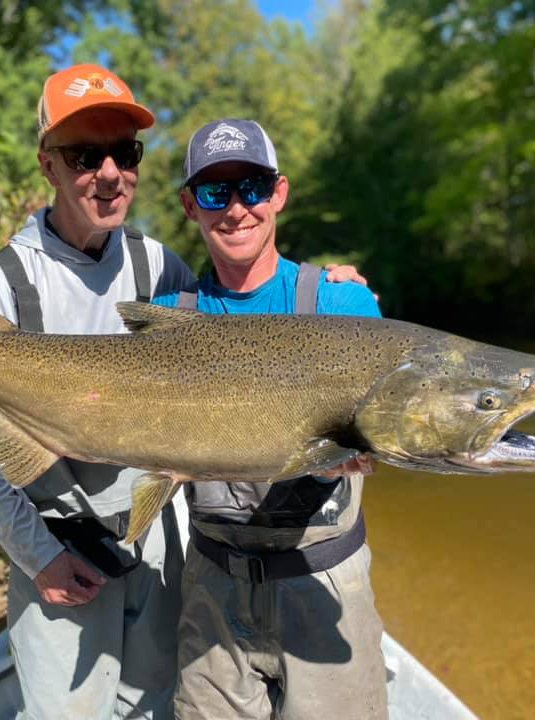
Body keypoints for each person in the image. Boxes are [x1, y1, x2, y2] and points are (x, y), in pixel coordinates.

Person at [0, 69, 370, 719]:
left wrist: (347, 302)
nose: (110, 172)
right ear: (49, 166)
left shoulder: (159, 269)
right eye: (87, 156)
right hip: (60, 555)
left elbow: (238, 323)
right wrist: (42, 559)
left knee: (152, 705)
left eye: (126, 153)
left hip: (156, 548)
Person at [152, 118, 389, 720]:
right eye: (214, 192)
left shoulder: (342, 304)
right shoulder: (163, 319)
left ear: (279, 193)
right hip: (212, 586)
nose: (236, 209)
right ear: (189, 205)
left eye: (252, 188)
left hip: (325, 580)